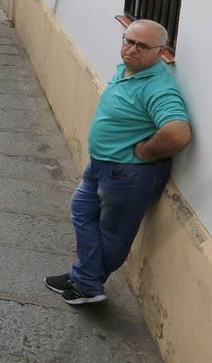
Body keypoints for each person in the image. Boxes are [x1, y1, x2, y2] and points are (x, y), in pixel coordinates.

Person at [46, 21, 191, 305]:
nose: (132, 49)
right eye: (128, 41)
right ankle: (85, 277)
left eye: (142, 46)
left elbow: (177, 133)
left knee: (113, 233)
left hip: (129, 175)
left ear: (161, 52)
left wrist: (146, 151)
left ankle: (87, 284)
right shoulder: (127, 69)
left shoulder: (157, 88)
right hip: (103, 166)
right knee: (81, 211)